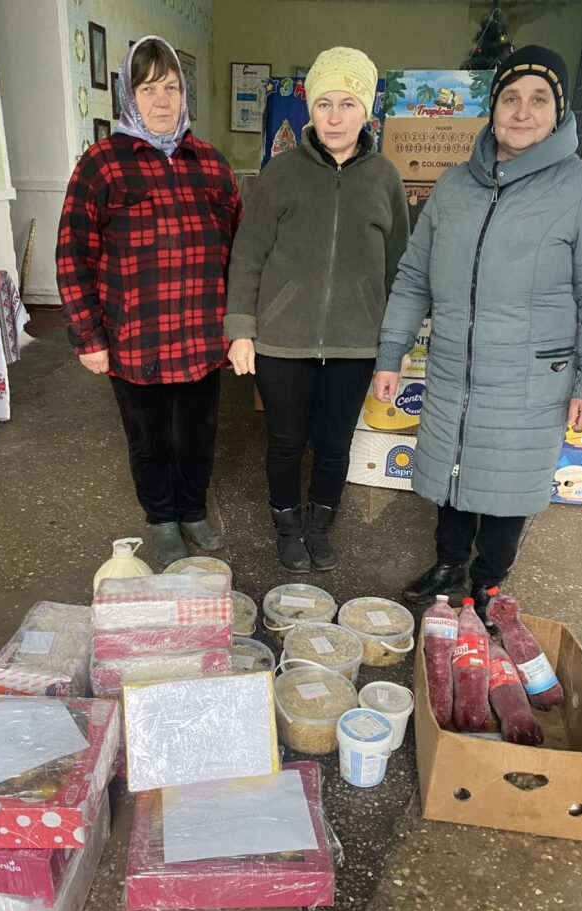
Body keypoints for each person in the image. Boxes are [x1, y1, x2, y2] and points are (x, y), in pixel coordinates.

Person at [373, 45, 582, 622]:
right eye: (510, 98)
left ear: (559, 114)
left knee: (508, 483)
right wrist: (391, 352)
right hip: (455, 366)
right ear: (492, 110)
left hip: (530, 375)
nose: (522, 111)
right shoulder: (453, 187)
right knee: (453, 466)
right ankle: (447, 566)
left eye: (539, 99)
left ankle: (488, 584)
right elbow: (413, 277)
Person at [57, 37, 241, 566]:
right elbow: (72, 253)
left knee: (197, 435)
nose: (162, 101)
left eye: (171, 88)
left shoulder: (211, 164)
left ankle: (193, 511)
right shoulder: (102, 164)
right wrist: (88, 337)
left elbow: (239, 249)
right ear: (128, 96)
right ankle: (162, 518)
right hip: (136, 338)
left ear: (185, 95)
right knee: (149, 439)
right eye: (148, 89)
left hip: (202, 336)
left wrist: (239, 327)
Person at [224, 47, 409, 572]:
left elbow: (400, 269)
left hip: (355, 342)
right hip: (282, 339)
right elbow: (248, 255)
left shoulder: (385, 179)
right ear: (310, 109)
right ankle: (287, 526)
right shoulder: (279, 173)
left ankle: (320, 526)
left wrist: (392, 348)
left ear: (366, 110)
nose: (334, 117)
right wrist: (242, 329)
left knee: (333, 444)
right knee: (285, 442)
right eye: (324, 103)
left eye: (347, 104)